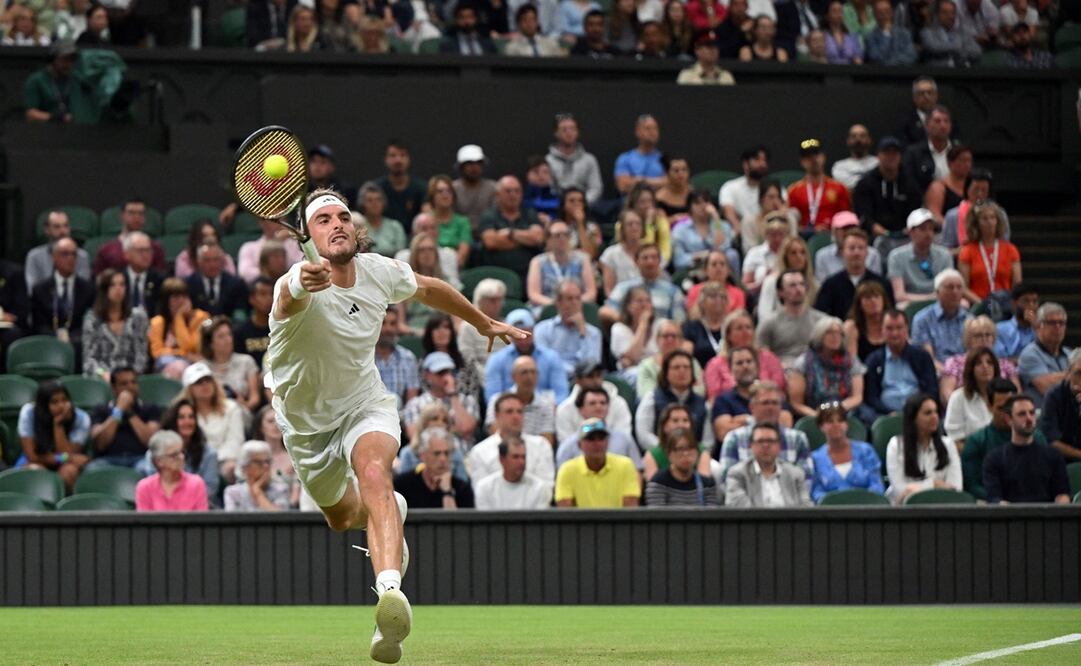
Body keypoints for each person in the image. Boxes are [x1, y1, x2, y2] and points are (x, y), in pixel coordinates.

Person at [265, 189, 526, 660]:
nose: (337, 224)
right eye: (322, 220)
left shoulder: (378, 271)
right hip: (305, 427)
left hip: (365, 403)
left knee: (373, 475)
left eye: (343, 216)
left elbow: (429, 288)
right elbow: (289, 297)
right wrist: (305, 282)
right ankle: (389, 515)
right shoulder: (295, 282)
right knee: (342, 517)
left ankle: (389, 592)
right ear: (308, 235)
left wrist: (483, 322)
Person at [983, 395, 1070, 504]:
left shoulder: (1053, 455)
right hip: (1010, 518)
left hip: (1047, 518)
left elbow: (1062, 493)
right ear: (1009, 419)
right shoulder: (994, 459)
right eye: (1022, 414)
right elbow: (994, 498)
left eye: (1032, 413)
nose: (1029, 418)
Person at [136, 399, 221, 505]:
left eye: (191, 417)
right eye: (182, 417)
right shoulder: (154, 454)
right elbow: (154, 485)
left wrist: (183, 498)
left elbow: (210, 488)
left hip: (197, 506)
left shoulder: (209, 454)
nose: (188, 422)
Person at [717, 381, 811, 477]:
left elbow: (806, 478)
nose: (770, 408)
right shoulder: (734, 439)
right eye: (765, 403)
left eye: (775, 403)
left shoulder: (798, 439)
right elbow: (727, 479)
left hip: (789, 491)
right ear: (752, 407)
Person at [885, 394, 962, 504]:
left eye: (936, 412)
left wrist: (915, 489)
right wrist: (934, 484)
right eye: (928, 413)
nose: (934, 417)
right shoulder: (896, 445)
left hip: (941, 508)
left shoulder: (948, 444)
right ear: (913, 418)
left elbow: (955, 489)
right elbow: (899, 489)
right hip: (904, 511)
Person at [787, 317, 867, 421]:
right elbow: (796, 403)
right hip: (813, 414)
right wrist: (819, 416)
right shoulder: (803, 363)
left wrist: (835, 411)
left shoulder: (851, 361)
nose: (835, 337)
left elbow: (857, 397)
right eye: (830, 333)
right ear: (819, 335)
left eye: (839, 333)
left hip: (845, 411)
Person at [15, 381, 90, 491]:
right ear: (44, 405)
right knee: (36, 471)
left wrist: (58, 425)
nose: (61, 405)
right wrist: (65, 458)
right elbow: (32, 456)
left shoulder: (81, 418)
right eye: (54, 402)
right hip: (34, 462)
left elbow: (69, 456)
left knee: (69, 471)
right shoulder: (29, 412)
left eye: (65, 400)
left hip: (63, 464)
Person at [863, 309, 938, 418]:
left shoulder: (922, 357)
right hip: (885, 416)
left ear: (907, 330)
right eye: (889, 328)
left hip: (918, 415)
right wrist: (888, 413)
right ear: (882, 330)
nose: (895, 333)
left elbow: (931, 390)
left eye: (899, 328)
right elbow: (871, 397)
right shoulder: (873, 360)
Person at [484, 309, 569, 403]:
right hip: (510, 411)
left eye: (527, 336)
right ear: (508, 335)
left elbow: (561, 393)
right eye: (517, 337)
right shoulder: (497, 360)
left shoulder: (551, 357)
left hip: (545, 410)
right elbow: (492, 397)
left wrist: (552, 407)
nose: (523, 341)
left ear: (533, 330)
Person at [468, 393, 555, 483]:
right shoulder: (480, 452)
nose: (516, 417)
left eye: (519, 412)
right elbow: (480, 490)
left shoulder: (541, 446)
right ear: (497, 416)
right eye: (509, 411)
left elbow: (546, 486)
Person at [86, 366, 161, 471]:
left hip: (140, 458)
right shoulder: (101, 410)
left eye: (133, 382)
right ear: (113, 388)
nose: (131, 387)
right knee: (92, 469)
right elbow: (100, 443)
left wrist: (130, 413)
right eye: (124, 384)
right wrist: (119, 410)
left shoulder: (150, 409)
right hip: (108, 459)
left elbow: (151, 441)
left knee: (148, 469)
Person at [852, 136, 921, 250]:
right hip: (874, 235)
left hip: (906, 234)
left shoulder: (910, 183)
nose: (891, 157)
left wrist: (909, 228)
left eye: (894, 153)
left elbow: (915, 210)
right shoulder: (865, 184)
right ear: (878, 155)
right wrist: (875, 228)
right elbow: (863, 214)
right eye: (886, 153)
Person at [554, 418, 641, 508]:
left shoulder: (625, 465)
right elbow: (565, 511)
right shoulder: (567, 470)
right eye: (590, 439)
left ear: (607, 442)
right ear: (579, 445)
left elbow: (630, 507)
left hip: (617, 522)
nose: (597, 443)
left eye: (601, 438)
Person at [809, 402, 885, 503]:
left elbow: (877, 485)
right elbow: (816, 492)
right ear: (821, 426)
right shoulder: (815, 458)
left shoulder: (866, 451)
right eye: (830, 421)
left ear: (847, 424)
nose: (836, 425)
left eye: (840, 420)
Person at [635, 350, 710, 452]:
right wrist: (668, 451)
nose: (682, 371)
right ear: (666, 372)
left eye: (686, 367)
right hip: (659, 455)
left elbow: (708, 441)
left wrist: (691, 452)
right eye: (676, 367)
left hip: (694, 456)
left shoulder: (701, 403)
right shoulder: (652, 398)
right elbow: (644, 434)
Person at [81, 269, 149, 380]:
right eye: (113, 285)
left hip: (131, 377)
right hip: (102, 378)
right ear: (104, 290)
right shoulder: (92, 319)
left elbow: (141, 356)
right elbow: (89, 359)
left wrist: (130, 375)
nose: (118, 289)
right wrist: (103, 373)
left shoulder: (137, 317)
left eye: (122, 284)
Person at [29, 237, 93, 353]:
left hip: (78, 343)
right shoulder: (40, 289)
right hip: (47, 342)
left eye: (74, 254)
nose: (70, 258)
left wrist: (71, 338)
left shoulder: (88, 289)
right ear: (54, 257)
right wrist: (56, 337)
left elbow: (88, 322)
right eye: (65, 254)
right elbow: (38, 324)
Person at [725, 422, 812, 507]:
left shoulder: (795, 474)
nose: (765, 445)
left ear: (779, 446)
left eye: (770, 441)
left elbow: (806, 508)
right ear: (751, 445)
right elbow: (740, 511)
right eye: (760, 441)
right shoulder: (737, 474)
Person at [703, 309, 786, 399]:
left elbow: (778, 387)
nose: (745, 332)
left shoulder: (769, 357)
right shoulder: (715, 364)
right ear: (728, 335)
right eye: (739, 328)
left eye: (748, 327)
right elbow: (714, 397)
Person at [554, 385, 641, 470]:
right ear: (581, 410)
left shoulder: (624, 439)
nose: (598, 407)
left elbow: (637, 470)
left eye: (603, 403)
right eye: (592, 403)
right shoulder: (568, 445)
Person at [815, 229, 891, 324]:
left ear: (867, 252)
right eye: (851, 248)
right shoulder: (830, 285)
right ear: (843, 252)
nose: (856, 253)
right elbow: (821, 316)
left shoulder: (882, 284)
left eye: (860, 248)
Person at [478, 175, 545, 282]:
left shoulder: (530, 214)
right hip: (496, 274)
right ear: (497, 195)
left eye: (517, 191)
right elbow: (491, 242)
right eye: (508, 191)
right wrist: (525, 239)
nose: (513, 195)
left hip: (528, 274)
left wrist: (511, 234)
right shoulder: (489, 216)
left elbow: (538, 238)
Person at [756, 270, 828, 368]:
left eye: (801, 284)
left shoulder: (822, 321)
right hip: (782, 371)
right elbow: (762, 357)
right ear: (780, 292)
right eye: (792, 285)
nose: (798, 289)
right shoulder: (769, 323)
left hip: (815, 369)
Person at [533, 280, 602, 380]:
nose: (575, 303)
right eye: (569, 299)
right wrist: (575, 372)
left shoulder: (594, 333)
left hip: (585, 383)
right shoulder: (542, 329)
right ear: (558, 303)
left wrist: (583, 332)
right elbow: (545, 363)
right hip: (553, 380)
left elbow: (593, 364)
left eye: (578, 298)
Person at [887, 208, 954, 308]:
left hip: (940, 301)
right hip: (913, 302)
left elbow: (950, 287)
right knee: (901, 306)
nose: (928, 233)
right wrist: (929, 298)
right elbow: (900, 296)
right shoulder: (896, 256)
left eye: (931, 229)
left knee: (963, 304)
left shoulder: (944, 254)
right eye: (923, 229)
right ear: (911, 232)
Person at [603, 244, 685, 324]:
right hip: (630, 333)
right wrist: (628, 323)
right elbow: (605, 311)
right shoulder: (623, 288)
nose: (650, 262)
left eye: (654, 257)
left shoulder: (673, 291)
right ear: (636, 262)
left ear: (659, 261)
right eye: (645, 258)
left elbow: (679, 321)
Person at [957, 202, 1021, 304]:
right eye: (985, 219)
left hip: (1005, 304)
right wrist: (982, 304)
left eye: (992, 218)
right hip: (978, 304)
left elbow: (1017, 284)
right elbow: (963, 287)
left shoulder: (1010, 250)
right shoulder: (967, 251)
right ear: (976, 223)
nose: (990, 222)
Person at [484, 355, 557, 444]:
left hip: (535, 454)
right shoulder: (497, 400)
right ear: (513, 377)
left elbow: (547, 442)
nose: (529, 377)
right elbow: (495, 436)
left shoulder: (546, 405)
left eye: (533, 372)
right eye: (524, 372)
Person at [148, 278, 210, 380]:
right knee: (176, 366)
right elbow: (157, 353)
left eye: (184, 296)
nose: (181, 301)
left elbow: (191, 346)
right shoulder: (157, 322)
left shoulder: (200, 318)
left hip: (195, 366)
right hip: (166, 367)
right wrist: (184, 354)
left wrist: (179, 319)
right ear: (166, 301)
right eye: (176, 297)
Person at [786, 138, 851, 234]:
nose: (813, 159)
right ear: (802, 161)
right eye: (808, 157)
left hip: (834, 236)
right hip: (805, 238)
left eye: (816, 154)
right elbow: (792, 224)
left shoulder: (839, 188)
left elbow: (846, 219)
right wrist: (810, 231)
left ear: (823, 157)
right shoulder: (794, 191)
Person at [526, 223, 598, 309]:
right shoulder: (537, 261)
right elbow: (534, 294)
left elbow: (591, 293)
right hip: (547, 307)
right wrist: (558, 304)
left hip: (578, 307)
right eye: (557, 235)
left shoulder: (583, 259)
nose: (562, 238)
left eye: (566, 234)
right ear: (548, 240)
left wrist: (573, 303)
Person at [135, 430, 210, 512]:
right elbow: (143, 522)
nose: (181, 457)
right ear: (159, 461)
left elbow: (201, 522)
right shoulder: (145, 487)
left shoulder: (196, 483)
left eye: (182, 452)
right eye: (174, 455)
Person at [644, 428, 722, 505]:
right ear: (669, 454)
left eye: (690, 448)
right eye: (680, 449)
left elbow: (710, 515)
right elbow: (656, 515)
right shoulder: (658, 482)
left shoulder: (707, 484)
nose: (686, 454)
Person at [910, 268, 971, 367]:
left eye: (959, 287)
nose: (955, 292)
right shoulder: (922, 320)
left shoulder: (970, 320)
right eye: (950, 287)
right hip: (935, 371)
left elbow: (974, 354)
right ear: (937, 292)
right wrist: (948, 373)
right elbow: (927, 358)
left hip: (966, 372)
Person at [201, 316, 261, 413]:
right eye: (221, 336)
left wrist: (243, 405)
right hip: (212, 413)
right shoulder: (202, 368)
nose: (228, 340)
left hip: (241, 412)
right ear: (210, 344)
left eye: (229, 334)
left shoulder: (246, 361)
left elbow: (255, 399)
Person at [474, 438, 554, 509]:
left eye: (523, 457)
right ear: (502, 459)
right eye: (515, 457)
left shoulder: (539, 488)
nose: (521, 462)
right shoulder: (485, 488)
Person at [672, 191, 738, 276]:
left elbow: (722, 247)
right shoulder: (680, 230)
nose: (703, 206)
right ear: (690, 207)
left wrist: (716, 217)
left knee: (732, 254)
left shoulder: (722, 225)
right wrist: (695, 256)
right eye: (697, 203)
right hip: (694, 269)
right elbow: (678, 260)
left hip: (719, 268)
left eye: (706, 202)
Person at [92, 199, 167, 275]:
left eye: (140, 213)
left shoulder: (155, 248)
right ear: (122, 215)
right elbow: (99, 279)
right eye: (131, 213)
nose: (136, 217)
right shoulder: (106, 250)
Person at [635, 319, 706, 398]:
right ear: (657, 340)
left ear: (681, 341)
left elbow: (700, 391)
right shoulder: (646, 366)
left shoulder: (691, 362)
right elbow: (646, 395)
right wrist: (682, 391)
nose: (670, 340)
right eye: (665, 336)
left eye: (674, 336)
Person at [1018, 303, 1071, 408]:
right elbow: (1048, 388)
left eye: (1061, 322)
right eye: (1052, 322)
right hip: (1041, 415)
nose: (1057, 327)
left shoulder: (1069, 353)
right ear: (1038, 326)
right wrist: (1075, 374)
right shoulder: (1029, 354)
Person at [943, 347, 997, 449]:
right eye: (978, 363)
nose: (985, 366)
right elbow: (955, 441)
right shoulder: (958, 398)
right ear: (970, 369)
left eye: (989, 362)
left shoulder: (1004, 395)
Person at [458, 279, 507, 387]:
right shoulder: (467, 327)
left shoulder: (507, 326)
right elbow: (469, 360)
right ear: (480, 301)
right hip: (480, 381)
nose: (498, 304)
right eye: (493, 300)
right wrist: (490, 379)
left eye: (500, 300)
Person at [24, 210, 91, 290]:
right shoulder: (34, 256)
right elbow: (32, 289)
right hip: (43, 300)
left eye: (66, 226)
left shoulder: (81, 256)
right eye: (57, 227)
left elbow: (84, 290)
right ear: (47, 230)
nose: (62, 231)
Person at [372, 140, 428, 234]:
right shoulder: (376, 188)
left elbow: (427, 216)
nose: (398, 160)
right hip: (384, 239)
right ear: (385, 159)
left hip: (415, 238)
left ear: (409, 159)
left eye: (402, 155)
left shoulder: (421, 188)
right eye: (393, 155)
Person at [940, 168, 1002, 253]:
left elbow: (1003, 244)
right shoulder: (952, 216)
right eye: (975, 189)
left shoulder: (999, 214)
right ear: (967, 189)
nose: (979, 194)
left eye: (984, 190)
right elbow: (945, 251)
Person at [546, 113, 603, 206]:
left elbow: (596, 188)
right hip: (556, 208)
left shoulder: (589, 160)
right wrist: (563, 205)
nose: (569, 133)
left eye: (572, 129)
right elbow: (549, 189)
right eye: (564, 130)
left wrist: (581, 203)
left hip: (586, 207)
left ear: (578, 132)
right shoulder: (548, 161)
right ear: (556, 133)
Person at [756, 236, 817, 321]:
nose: (799, 257)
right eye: (793, 253)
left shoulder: (814, 284)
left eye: (803, 253)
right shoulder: (771, 281)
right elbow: (764, 314)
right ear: (785, 257)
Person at [1037, 349, 1081, 464]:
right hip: (1059, 461)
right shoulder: (1054, 396)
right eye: (1079, 373)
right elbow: (1051, 441)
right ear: (1068, 372)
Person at [185, 243, 249, 319]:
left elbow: (240, 315)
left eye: (216, 259)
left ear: (222, 261)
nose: (212, 265)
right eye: (207, 260)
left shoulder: (236, 285)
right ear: (199, 262)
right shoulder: (188, 284)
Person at [224, 440, 293, 511]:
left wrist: (257, 492)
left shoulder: (281, 489)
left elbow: (280, 519)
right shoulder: (233, 492)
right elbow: (231, 521)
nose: (266, 466)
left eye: (267, 461)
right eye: (258, 462)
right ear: (245, 467)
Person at [720, 145, 774, 235]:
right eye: (757, 160)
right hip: (742, 233)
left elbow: (783, 210)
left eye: (764, 160)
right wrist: (742, 231)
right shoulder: (730, 187)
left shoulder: (774, 188)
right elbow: (729, 213)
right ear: (745, 164)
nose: (763, 164)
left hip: (771, 232)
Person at [902, 105, 955, 195]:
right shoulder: (913, 153)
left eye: (946, 121)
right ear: (927, 125)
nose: (943, 125)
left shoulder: (958, 152)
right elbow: (910, 184)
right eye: (937, 121)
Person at [374, 308, 421, 406]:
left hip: (399, 417)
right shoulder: (364, 358)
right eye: (383, 323)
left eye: (393, 324)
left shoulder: (408, 358)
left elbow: (411, 403)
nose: (388, 329)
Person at [619, 183, 673, 266]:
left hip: (657, 267)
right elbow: (642, 249)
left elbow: (665, 254)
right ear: (633, 204)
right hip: (629, 266)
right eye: (642, 202)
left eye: (650, 201)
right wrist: (649, 224)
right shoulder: (622, 225)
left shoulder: (661, 222)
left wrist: (656, 266)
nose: (647, 206)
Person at [238, 219, 305, 285]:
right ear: (260, 222)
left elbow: (303, 267)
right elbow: (245, 273)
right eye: (264, 220)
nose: (268, 223)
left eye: (274, 220)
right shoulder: (248, 247)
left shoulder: (294, 245)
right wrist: (269, 274)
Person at [740, 182, 799, 258]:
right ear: (761, 200)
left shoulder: (789, 219)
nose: (775, 202)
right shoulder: (749, 222)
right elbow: (748, 250)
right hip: (759, 260)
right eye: (771, 197)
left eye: (778, 197)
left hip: (785, 260)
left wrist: (784, 221)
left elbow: (794, 245)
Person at [426, 175, 472, 269]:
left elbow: (462, 255)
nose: (445, 195)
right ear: (432, 196)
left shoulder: (463, 222)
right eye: (440, 191)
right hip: (429, 269)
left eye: (449, 191)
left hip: (455, 268)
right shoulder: (426, 221)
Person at [613, 114, 666, 195]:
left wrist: (642, 180)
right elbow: (622, 186)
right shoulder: (625, 158)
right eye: (648, 128)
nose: (652, 132)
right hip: (631, 203)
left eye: (655, 129)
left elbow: (670, 184)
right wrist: (657, 182)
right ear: (637, 132)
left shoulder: (664, 159)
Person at [920, 0, 981, 67]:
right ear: (936, 15)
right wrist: (958, 47)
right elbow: (934, 48)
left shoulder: (962, 33)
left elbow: (977, 52)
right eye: (945, 13)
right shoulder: (927, 32)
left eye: (953, 13)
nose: (950, 16)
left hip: (961, 73)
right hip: (938, 72)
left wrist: (959, 54)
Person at [451, 144, 497, 232]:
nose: (474, 167)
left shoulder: (493, 188)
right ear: (461, 167)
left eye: (478, 163)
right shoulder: (452, 189)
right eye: (469, 164)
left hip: (488, 233)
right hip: (459, 235)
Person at [118, 231, 165, 318]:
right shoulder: (117, 279)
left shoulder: (161, 280)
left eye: (148, 250)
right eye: (140, 251)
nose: (145, 255)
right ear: (126, 254)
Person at [682, 282, 728, 369]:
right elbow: (686, 356)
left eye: (722, 297)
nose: (719, 299)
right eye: (713, 296)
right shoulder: (691, 327)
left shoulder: (732, 325)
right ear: (702, 302)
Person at [599, 210, 644, 296]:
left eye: (638, 224)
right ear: (622, 229)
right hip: (620, 301)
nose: (634, 227)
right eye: (630, 224)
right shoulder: (611, 254)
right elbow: (609, 290)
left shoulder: (649, 252)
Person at [923, 145, 971, 225]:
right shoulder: (938, 187)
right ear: (950, 163)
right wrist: (954, 228)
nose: (967, 164)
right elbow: (934, 215)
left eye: (969, 160)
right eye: (962, 160)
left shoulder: (973, 186)